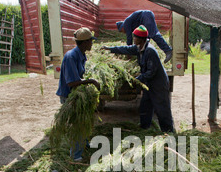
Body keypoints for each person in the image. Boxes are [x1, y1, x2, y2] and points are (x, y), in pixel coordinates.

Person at [102, 25, 174, 133]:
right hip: (149, 84)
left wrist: (136, 79)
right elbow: (126, 49)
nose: (133, 39)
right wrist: (110, 49)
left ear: (141, 39)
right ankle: (144, 128)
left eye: (135, 37)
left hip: (158, 84)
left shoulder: (150, 51)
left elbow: (151, 72)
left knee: (162, 109)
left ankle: (168, 132)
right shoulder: (139, 47)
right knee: (145, 106)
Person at [56, 27, 100, 161]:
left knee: (85, 119)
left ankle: (84, 144)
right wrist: (91, 81)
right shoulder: (71, 57)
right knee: (78, 124)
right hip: (69, 95)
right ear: (85, 42)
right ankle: (75, 155)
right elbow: (71, 82)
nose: (92, 44)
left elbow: (79, 75)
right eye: (90, 41)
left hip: (77, 93)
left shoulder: (81, 54)